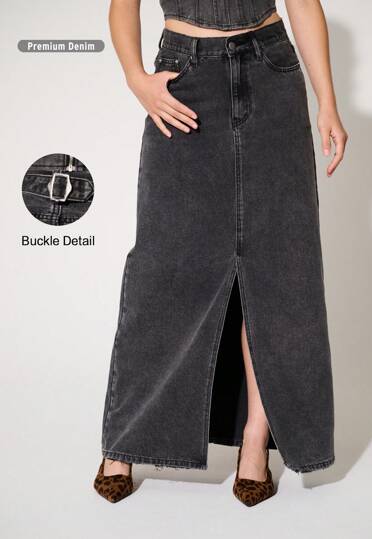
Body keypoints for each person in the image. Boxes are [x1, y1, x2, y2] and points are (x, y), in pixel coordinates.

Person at [93, 0, 348, 507]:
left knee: (276, 265)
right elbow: (123, 5)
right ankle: (125, 443)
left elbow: (302, 3)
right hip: (184, 80)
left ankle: (255, 441)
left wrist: (327, 102)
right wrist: (136, 78)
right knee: (164, 269)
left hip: (272, 70)